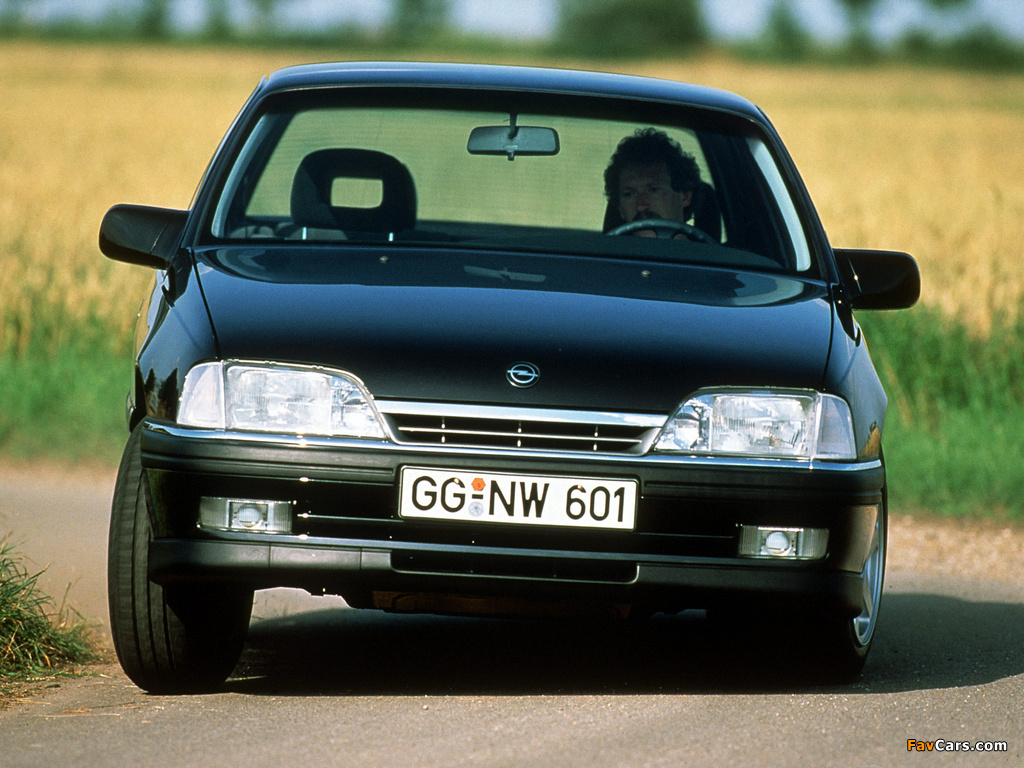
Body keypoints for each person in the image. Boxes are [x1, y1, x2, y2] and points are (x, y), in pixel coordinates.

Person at [602, 127, 702, 236]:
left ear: (685, 196)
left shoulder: (710, 248)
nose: (641, 206)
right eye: (629, 194)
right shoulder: (601, 247)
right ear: (620, 209)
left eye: (654, 190)